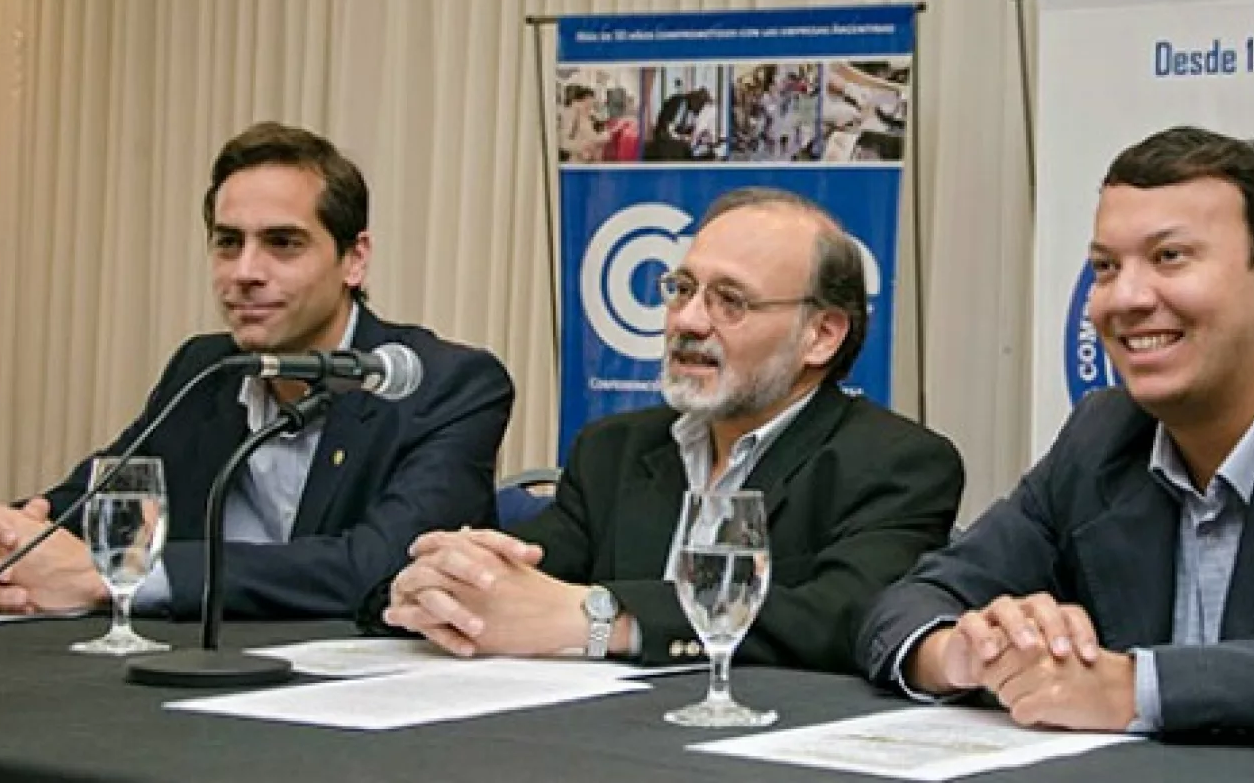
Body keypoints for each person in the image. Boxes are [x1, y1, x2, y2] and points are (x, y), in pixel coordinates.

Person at [857, 127, 1254, 753]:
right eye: (1106, 267)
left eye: (1169, 257)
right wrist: (964, 653)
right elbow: (907, 605)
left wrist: (1134, 689)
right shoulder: (1102, 437)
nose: (1125, 298)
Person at [367, 186, 964, 672]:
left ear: (821, 335)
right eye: (681, 290)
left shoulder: (897, 463)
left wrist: (602, 618)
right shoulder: (615, 449)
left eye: (730, 300)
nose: (688, 321)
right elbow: (527, 581)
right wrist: (439, 586)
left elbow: (844, 618)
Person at [0, 122, 514, 620]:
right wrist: (6, 546)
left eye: (282, 243)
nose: (245, 272)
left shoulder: (447, 384)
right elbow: (100, 501)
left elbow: (380, 565)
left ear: (354, 259)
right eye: (227, 243)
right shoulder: (205, 369)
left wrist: (118, 574)